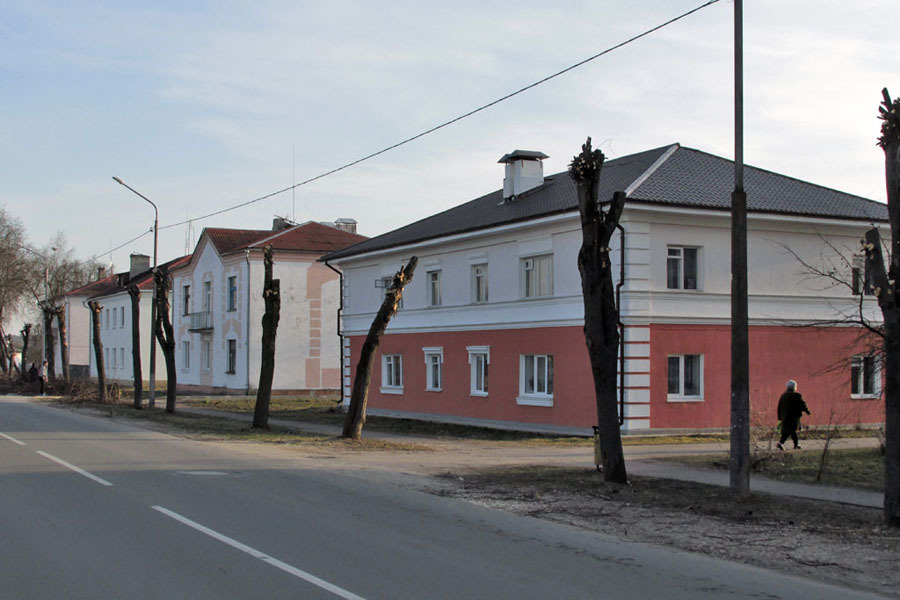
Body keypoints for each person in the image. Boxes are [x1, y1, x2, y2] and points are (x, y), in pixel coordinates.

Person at [777, 379, 810, 450]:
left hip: (785, 417)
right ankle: (782, 443)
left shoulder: (783, 396)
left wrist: (780, 417)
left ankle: (794, 444)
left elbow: (779, 407)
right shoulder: (796, 395)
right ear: (794, 387)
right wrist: (807, 411)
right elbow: (802, 404)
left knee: (789, 431)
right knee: (792, 430)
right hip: (794, 417)